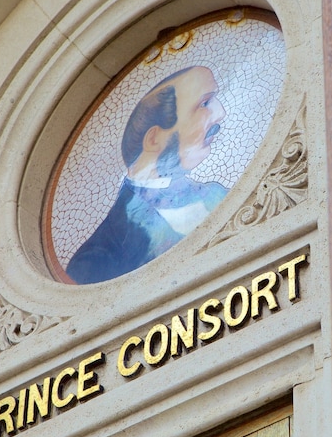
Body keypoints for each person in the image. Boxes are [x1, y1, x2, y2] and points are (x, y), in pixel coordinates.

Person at [66, 66, 228, 284]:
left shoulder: (216, 194)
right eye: (205, 104)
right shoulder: (98, 257)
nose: (221, 114)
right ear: (153, 139)